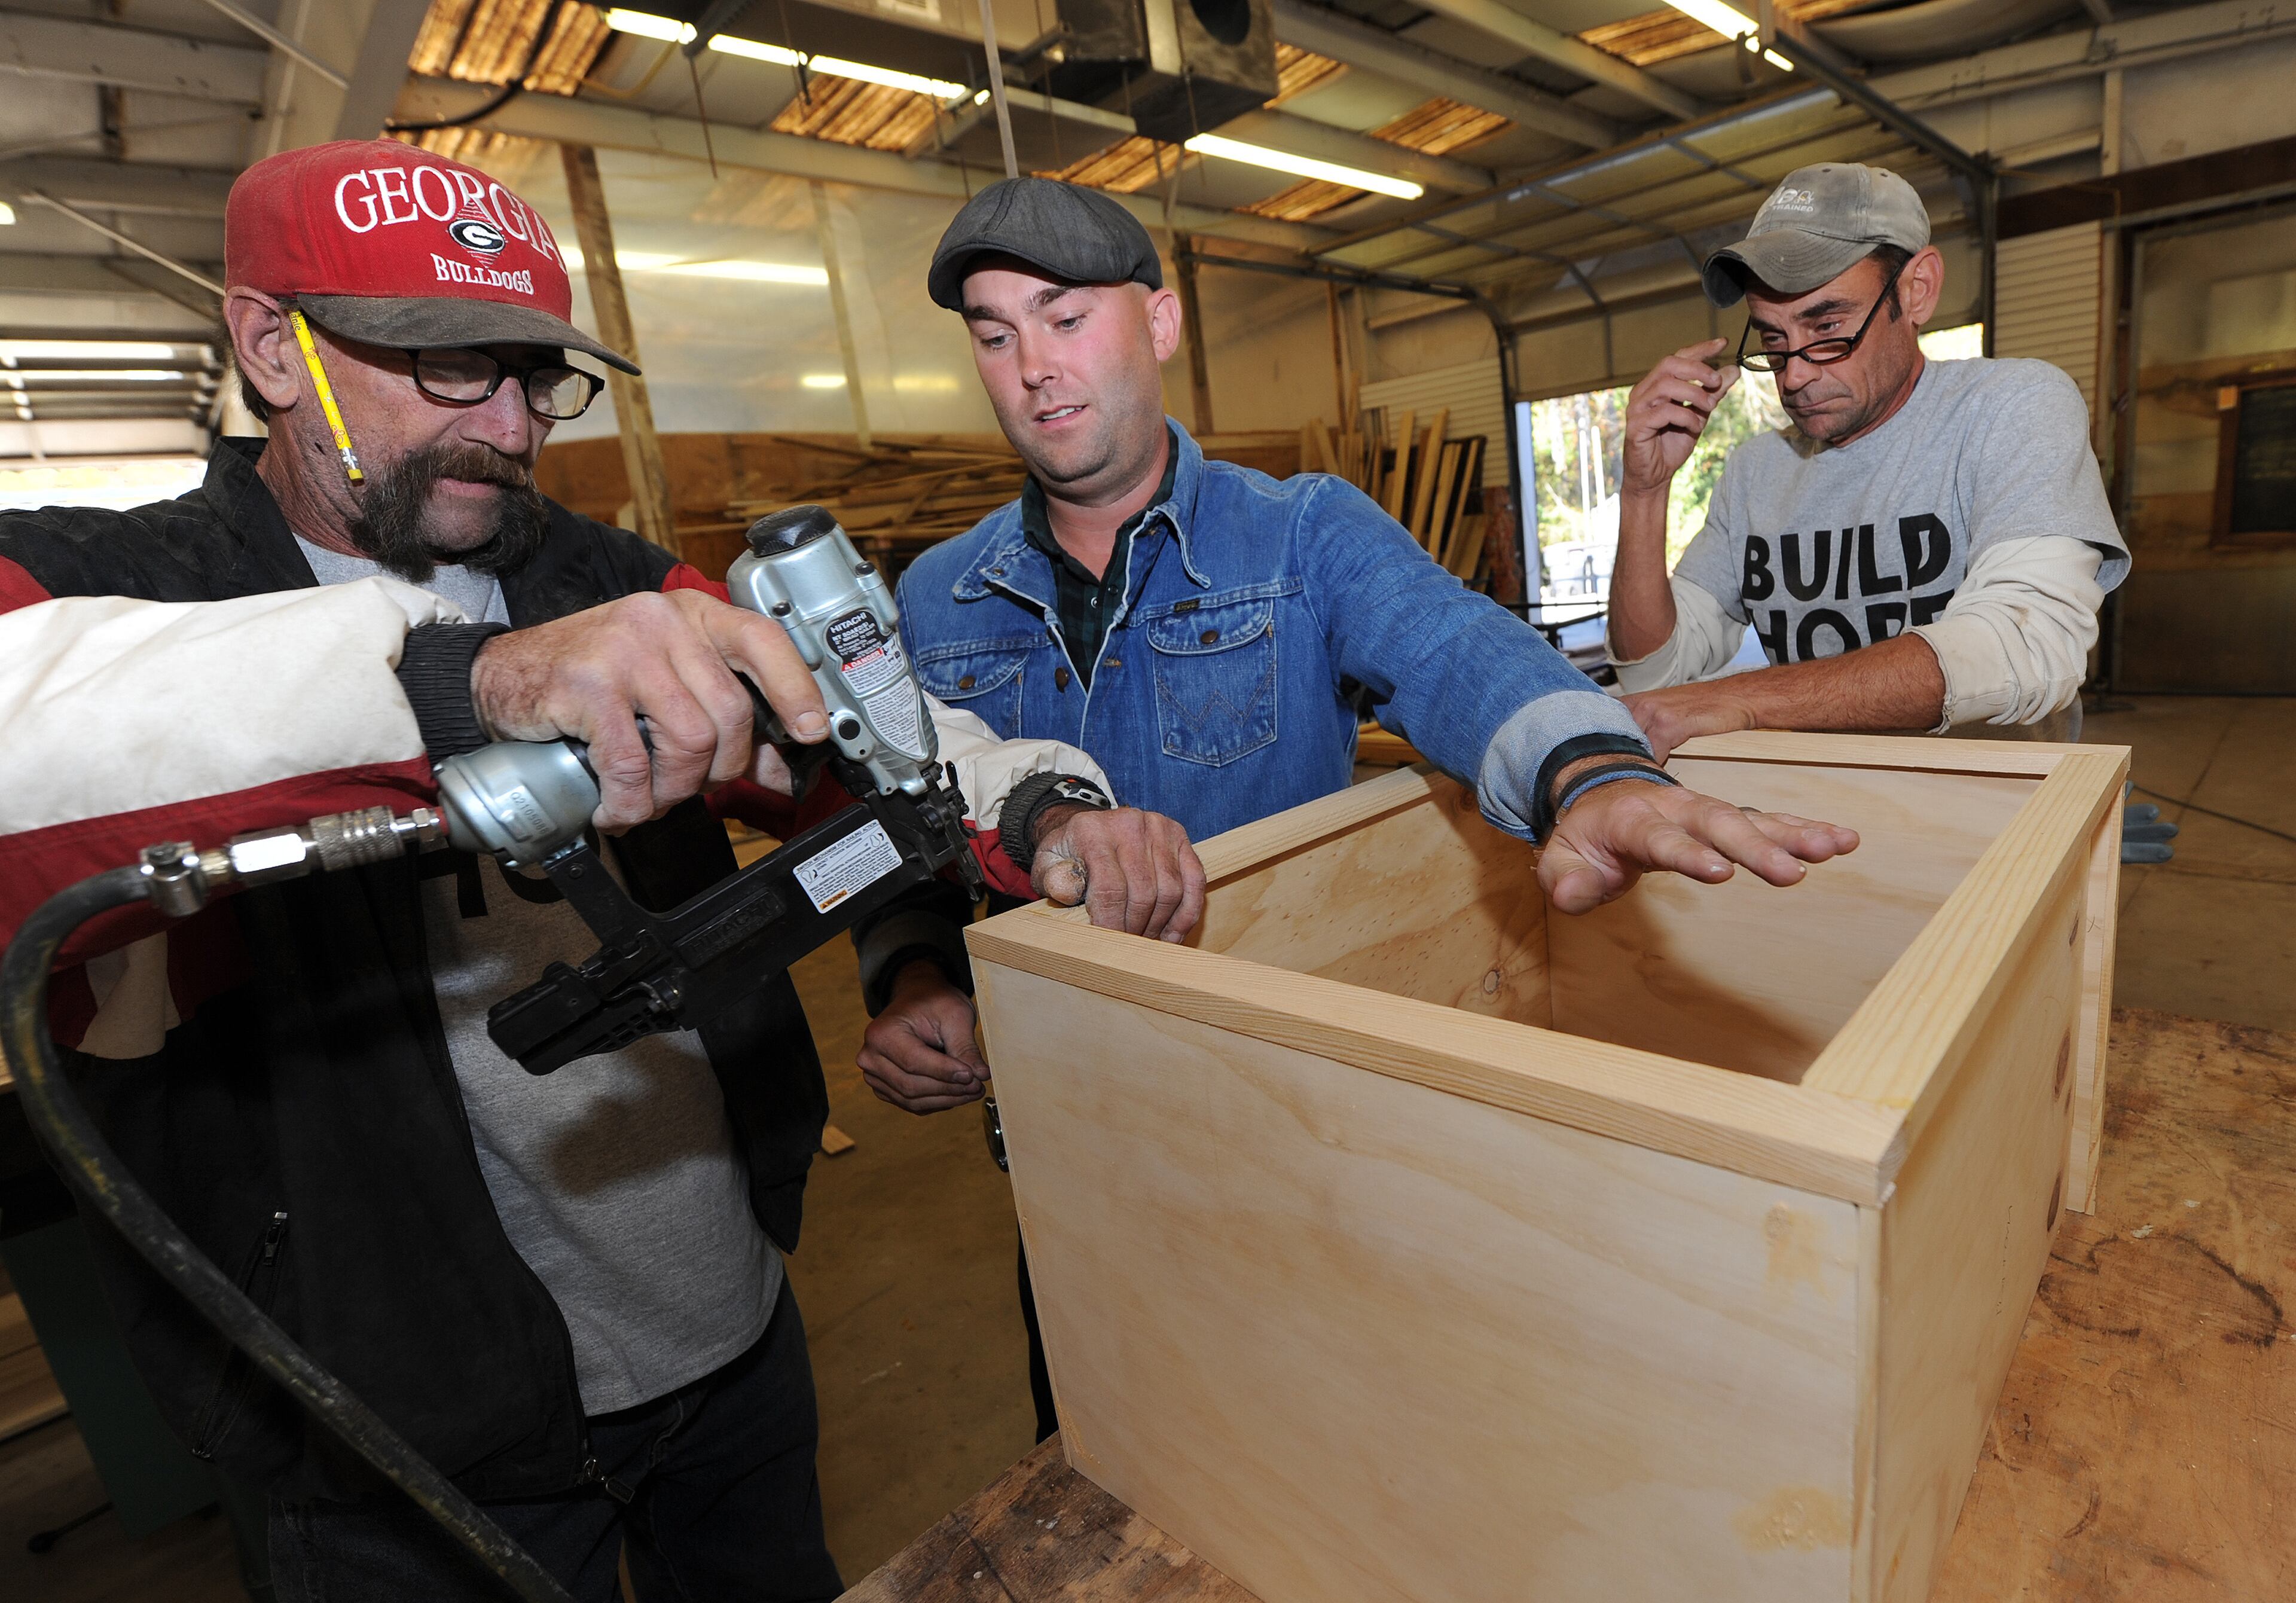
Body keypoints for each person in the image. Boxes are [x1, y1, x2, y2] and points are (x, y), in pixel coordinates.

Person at [0, 141, 1199, 1603]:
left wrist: (1047, 811)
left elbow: (861, 733)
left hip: (723, 1344)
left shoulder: (606, 581)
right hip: (392, 1435)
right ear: (269, 345)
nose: (507, 426)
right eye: (450, 370)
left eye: (532, 374)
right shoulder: (104, 592)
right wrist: (468, 680)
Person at [847, 176, 1862, 1437]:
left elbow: (1452, 644)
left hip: (1282, 1117)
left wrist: (1587, 771)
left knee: (1327, 1442)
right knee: (1106, 1439)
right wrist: (907, 974)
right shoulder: (937, 598)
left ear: (1158, 324)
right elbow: (900, 816)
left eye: (1063, 319)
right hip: (1063, 1130)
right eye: (994, 335)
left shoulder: (1301, 534)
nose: (1033, 368)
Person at [1602, 161, 2130, 759]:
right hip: (1820, 808)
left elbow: (2025, 650)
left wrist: (1744, 700)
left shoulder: (2010, 408)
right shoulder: (1756, 471)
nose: (1796, 374)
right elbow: (1655, 677)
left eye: (1828, 326)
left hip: (1994, 811)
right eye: (1773, 339)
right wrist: (1645, 493)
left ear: (1916, 290)